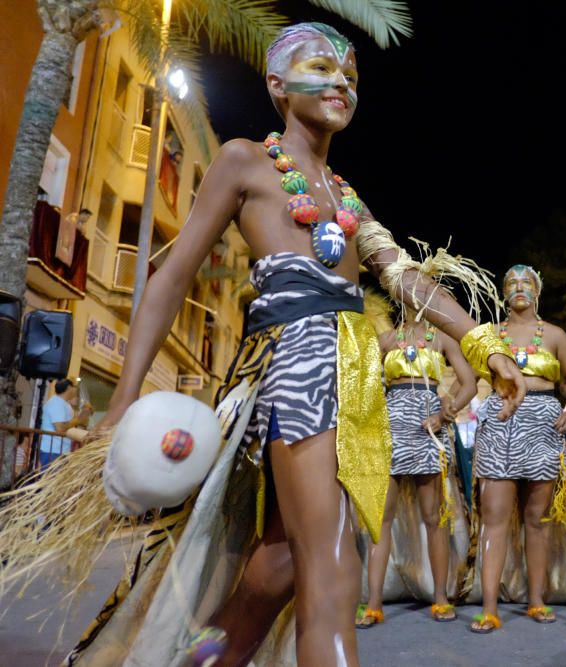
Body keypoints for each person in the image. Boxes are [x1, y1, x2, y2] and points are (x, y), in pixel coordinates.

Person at [0, 23, 524, 667]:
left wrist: (478, 339)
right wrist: (123, 399)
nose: (341, 82)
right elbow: (173, 275)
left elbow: (402, 275)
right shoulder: (244, 160)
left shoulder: (345, 197)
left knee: (276, 569)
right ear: (277, 85)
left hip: (356, 377)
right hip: (299, 365)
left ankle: (200, 660)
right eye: (322, 68)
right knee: (332, 565)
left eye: (351, 74)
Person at [466, 264, 566, 633]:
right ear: (504, 292)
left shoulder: (554, 335)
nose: (519, 287)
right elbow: (467, 374)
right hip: (501, 418)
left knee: (537, 520)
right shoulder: (489, 335)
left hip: (543, 422)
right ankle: (489, 607)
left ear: (537, 291)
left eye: (526, 282)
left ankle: (536, 600)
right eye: (512, 283)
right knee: (495, 518)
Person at [356, 306, 477, 627]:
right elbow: (363, 385)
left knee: (434, 518)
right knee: (380, 519)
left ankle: (439, 597)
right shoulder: (383, 340)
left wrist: (444, 411)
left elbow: (469, 384)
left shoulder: (442, 339)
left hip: (429, 430)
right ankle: (374, 602)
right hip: (391, 429)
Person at [38, 379, 91, 467]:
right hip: (53, 450)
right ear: (69, 388)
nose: (76, 390)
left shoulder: (64, 404)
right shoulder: (56, 403)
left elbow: (69, 424)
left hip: (61, 450)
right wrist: (78, 420)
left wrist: (82, 416)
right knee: (52, 478)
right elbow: (60, 427)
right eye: (74, 387)